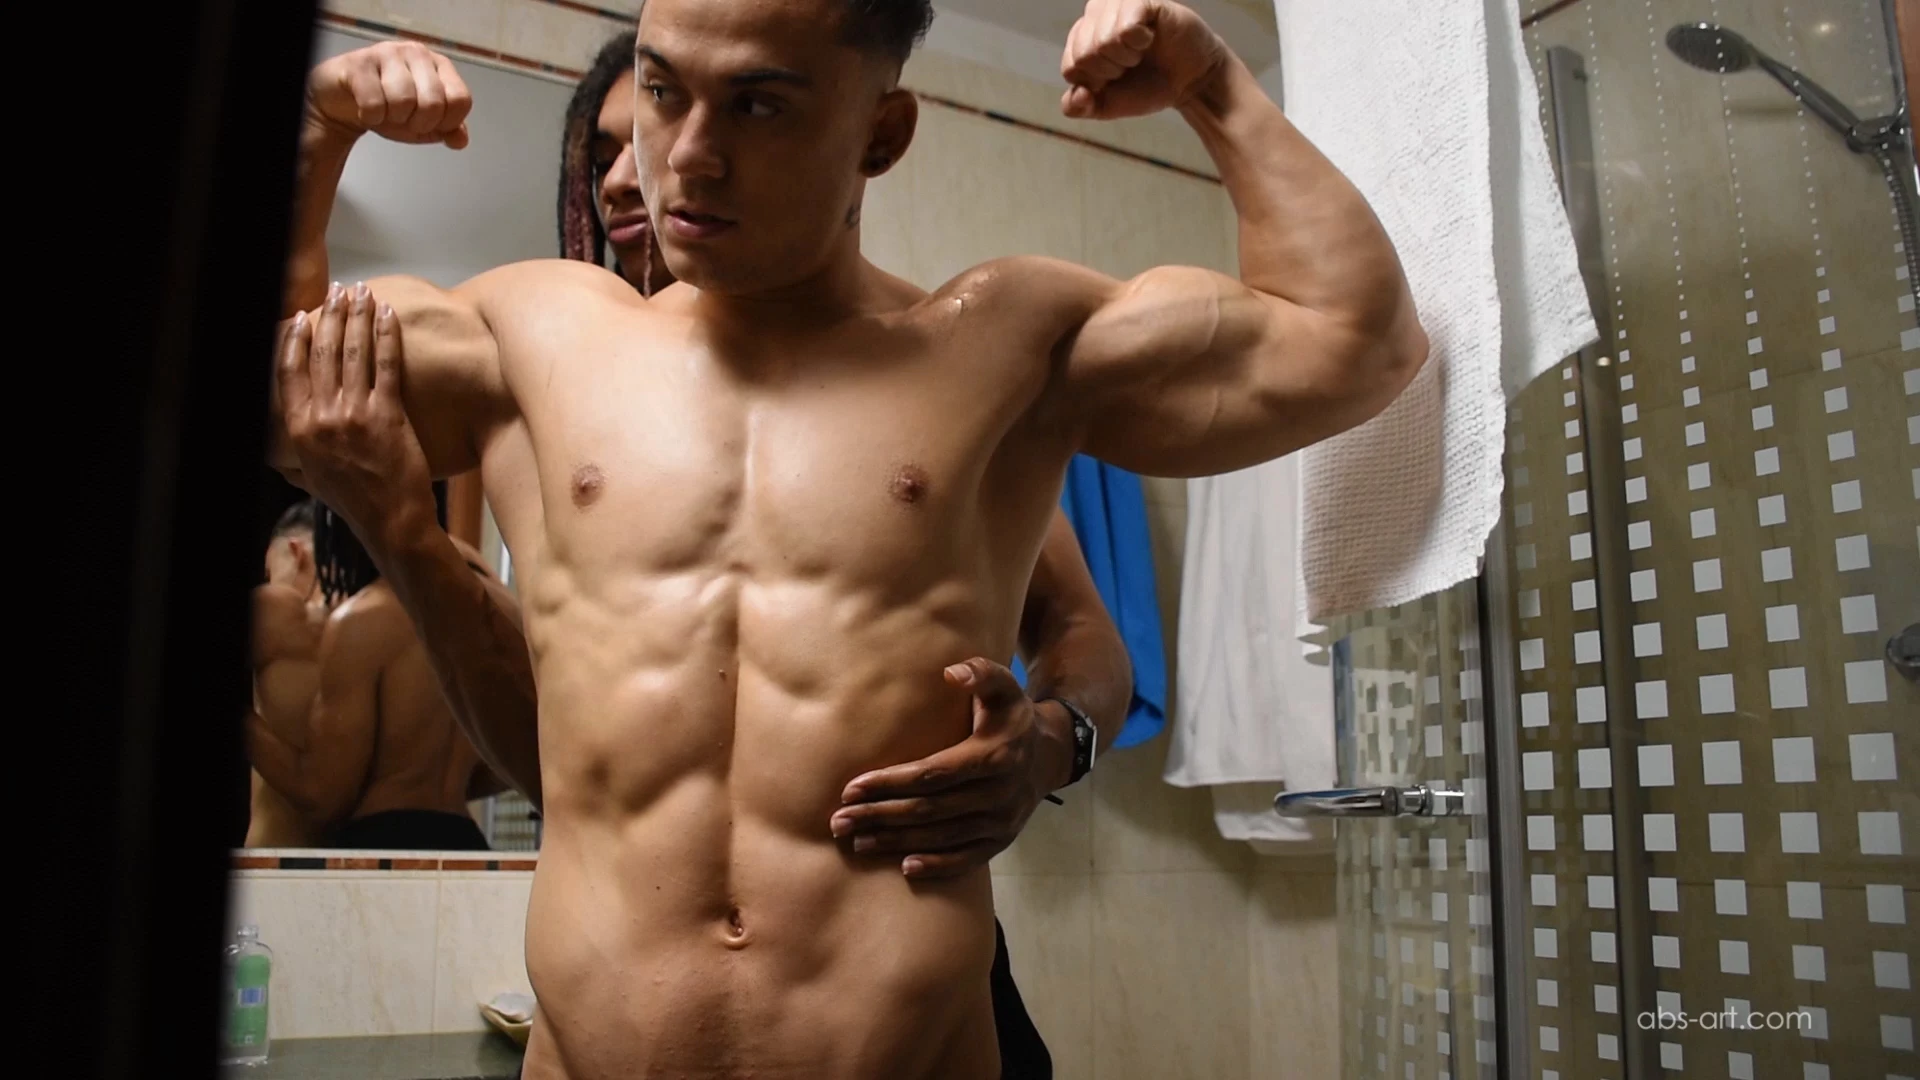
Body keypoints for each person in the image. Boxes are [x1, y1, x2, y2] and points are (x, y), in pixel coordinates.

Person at [271, 0, 1425, 1074]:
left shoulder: (1000, 352)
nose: (689, 156)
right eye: (666, 91)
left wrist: (1210, 80)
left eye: (758, 106)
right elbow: (271, 393)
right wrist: (318, 131)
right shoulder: (531, 338)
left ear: (883, 134)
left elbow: (1357, 346)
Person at [243, 500, 511, 851]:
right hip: (463, 838)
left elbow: (323, 797)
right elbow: (508, 762)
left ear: (296, 552)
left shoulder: (343, 622)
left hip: (329, 849)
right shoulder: (461, 612)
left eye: (269, 570)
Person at [245, 500, 331, 847]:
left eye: (270, 571)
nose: (270, 581)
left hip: (274, 844)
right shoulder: (374, 627)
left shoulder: (272, 608)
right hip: (353, 857)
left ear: (296, 552)